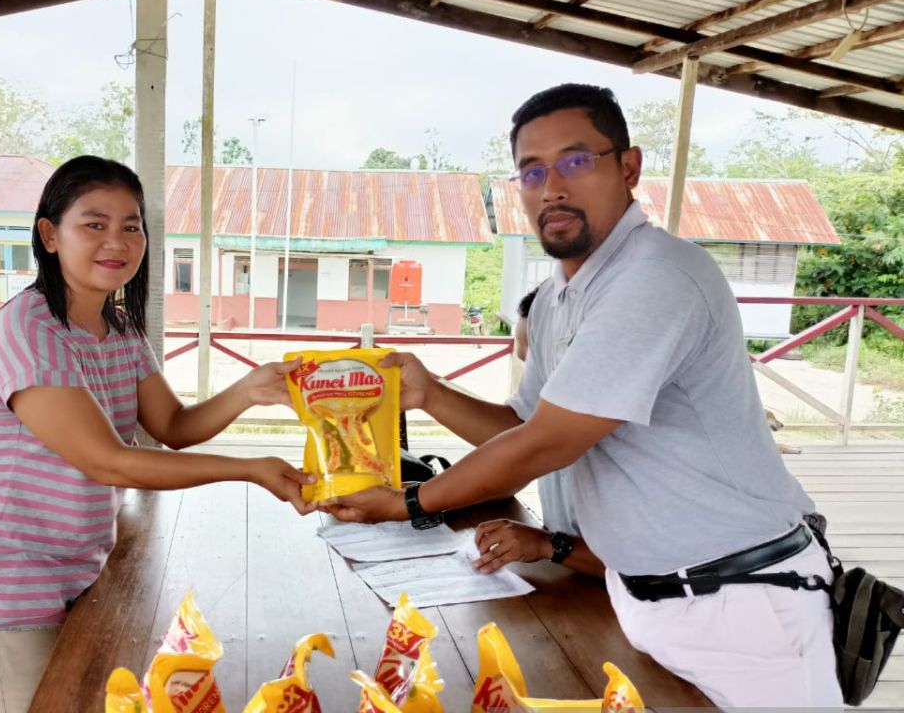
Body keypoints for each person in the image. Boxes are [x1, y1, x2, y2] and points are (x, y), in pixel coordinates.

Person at [323, 84, 840, 708]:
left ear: (628, 167)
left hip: (743, 599)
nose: (552, 187)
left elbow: (548, 444)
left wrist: (407, 503)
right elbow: (523, 422)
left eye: (575, 160)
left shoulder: (657, 276)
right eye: (531, 171)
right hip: (637, 592)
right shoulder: (557, 298)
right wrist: (430, 394)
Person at [0, 156, 315, 713]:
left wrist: (248, 390)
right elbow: (110, 463)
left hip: (83, 572)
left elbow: (173, 427)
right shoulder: (28, 330)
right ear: (49, 234)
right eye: (94, 223)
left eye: (131, 226)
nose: (116, 240)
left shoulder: (118, 327)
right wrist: (250, 468)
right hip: (9, 590)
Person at [475, 285, 605, 579]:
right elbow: (509, 473)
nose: (535, 378)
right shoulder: (547, 416)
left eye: (538, 362)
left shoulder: (616, 424)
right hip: (573, 583)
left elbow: (652, 566)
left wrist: (549, 546)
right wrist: (437, 496)